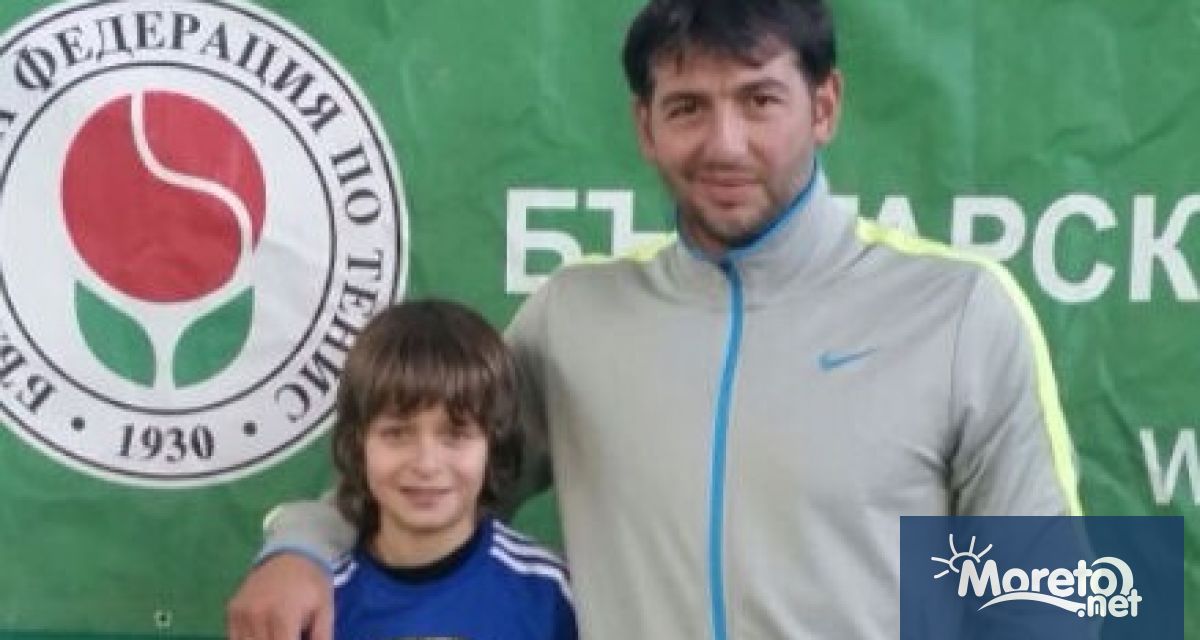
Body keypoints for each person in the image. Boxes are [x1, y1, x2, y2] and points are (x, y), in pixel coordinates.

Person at [228, 1, 1082, 638]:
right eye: (688, 107)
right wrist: (298, 546)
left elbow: (1047, 600)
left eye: (759, 101)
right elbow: (432, 471)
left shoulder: (960, 310)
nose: (725, 143)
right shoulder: (576, 316)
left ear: (824, 106)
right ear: (645, 125)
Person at [294, 300, 575, 640]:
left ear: (493, 442)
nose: (426, 464)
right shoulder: (313, 602)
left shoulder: (551, 597)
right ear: (357, 442)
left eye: (455, 434)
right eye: (397, 434)